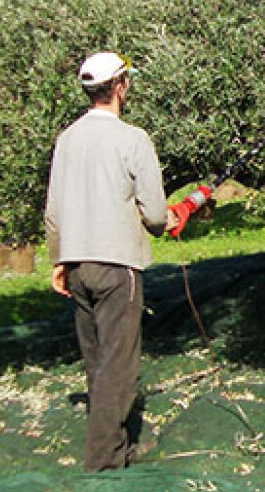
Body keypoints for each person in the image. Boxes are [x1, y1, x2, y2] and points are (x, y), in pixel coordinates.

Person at [44, 51, 177, 471]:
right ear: (120, 86)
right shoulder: (133, 139)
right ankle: (102, 465)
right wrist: (166, 221)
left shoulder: (67, 139)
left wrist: (59, 261)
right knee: (118, 369)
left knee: (97, 361)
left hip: (78, 265)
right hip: (118, 267)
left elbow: (53, 211)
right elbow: (155, 213)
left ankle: (116, 449)